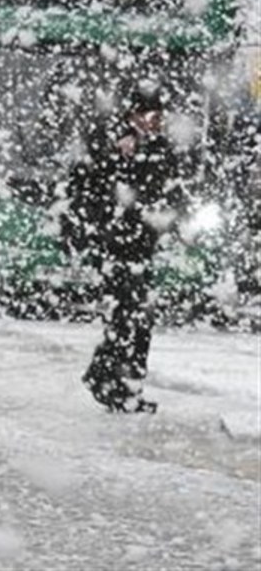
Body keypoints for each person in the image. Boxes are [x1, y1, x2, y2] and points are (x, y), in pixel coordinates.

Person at [65, 82, 182, 413]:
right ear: (133, 115)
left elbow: (170, 190)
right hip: (116, 245)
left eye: (159, 116)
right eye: (150, 115)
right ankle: (117, 385)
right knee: (128, 317)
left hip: (141, 245)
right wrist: (117, 159)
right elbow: (88, 186)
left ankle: (116, 382)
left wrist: (169, 222)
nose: (155, 122)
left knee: (135, 318)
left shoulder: (160, 148)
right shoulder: (110, 142)